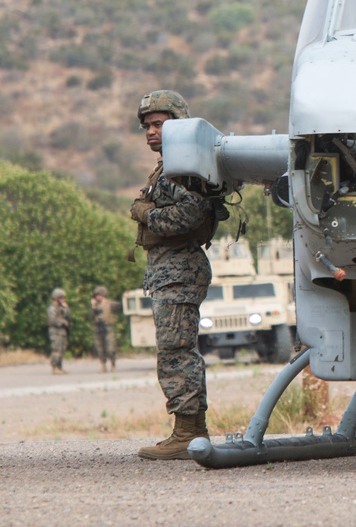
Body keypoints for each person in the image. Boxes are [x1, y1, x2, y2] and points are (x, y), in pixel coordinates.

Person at [129, 90, 220, 460]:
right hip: (172, 269)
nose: (150, 131)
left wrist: (144, 213)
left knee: (175, 352)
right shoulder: (171, 165)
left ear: (178, 125)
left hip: (179, 269)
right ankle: (192, 431)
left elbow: (190, 215)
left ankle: (186, 433)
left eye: (157, 124)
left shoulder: (182, 168)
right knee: (178, 350)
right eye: (146, 126)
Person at [90, 285, 120, 373]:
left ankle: (113, 363)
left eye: (98, 295)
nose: (97, 297)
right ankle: (103, 365)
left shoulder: (110, 304)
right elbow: (91, 316)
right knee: (100, 348)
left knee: (110, 348)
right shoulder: (95, 306)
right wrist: (93, 307)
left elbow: (120, 306)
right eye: (96, 295)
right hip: (98, 328)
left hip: (108, 328)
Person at [47, 288, 71, 375]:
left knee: (62, 349)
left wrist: (66, 308)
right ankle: (54, 367)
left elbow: (68, 316)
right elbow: (53, 320)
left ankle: (59, 367)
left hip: (62, 332)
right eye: (62, 298)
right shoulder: (52, 309)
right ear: (57, 298)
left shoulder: (62, 308)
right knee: (56, 349)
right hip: (55, 331)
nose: (64, 300)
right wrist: (63, 322)